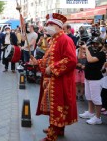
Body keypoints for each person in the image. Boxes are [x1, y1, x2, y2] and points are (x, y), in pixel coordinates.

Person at [29, 13, 77, 141]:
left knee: (57, 107)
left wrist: (53, 68)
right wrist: (37, 62)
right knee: (53, 106)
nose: (47, 27)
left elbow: (72, 60)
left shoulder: (65, 40)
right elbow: (47, 59)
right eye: (48, 24)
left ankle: (52, 135)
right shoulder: (53, 40)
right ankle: (57, 128)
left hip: (61, 80)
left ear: (58, 26)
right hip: (52, 80)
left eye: (50, 24)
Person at [79, 37, 106, 125]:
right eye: (94, 43)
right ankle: (90, 112)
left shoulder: (102, 54)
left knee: (96, 98)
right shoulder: (91, 50)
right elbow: (80, 57)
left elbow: (90, 60)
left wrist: (86, 48)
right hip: (88, 77)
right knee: (89, 96)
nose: (95, 45)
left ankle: (98, 118)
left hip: (96, 79)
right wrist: (80, 49)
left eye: (97, 43)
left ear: (102, 44)